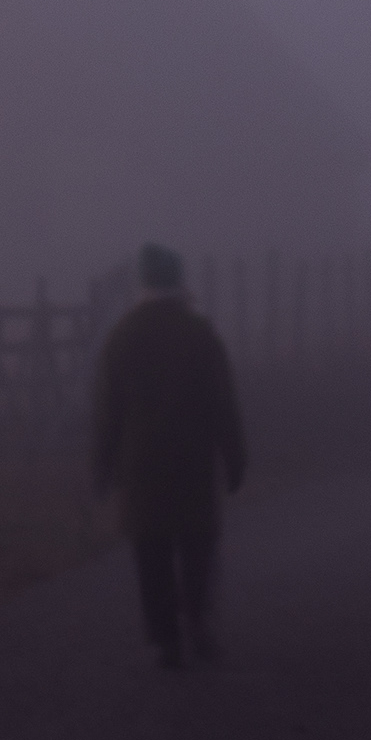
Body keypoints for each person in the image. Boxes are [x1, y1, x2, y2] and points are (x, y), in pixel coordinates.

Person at [91, 242, 246, 666]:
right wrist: (234, 457)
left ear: (143, 282)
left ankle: (165, 639)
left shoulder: (123, 336)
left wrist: (102, 466)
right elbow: (222, 401)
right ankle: (197, 620)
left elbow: (108, 409)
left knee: (151, 550)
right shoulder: (200, 334)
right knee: (197, 544)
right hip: (193, 459)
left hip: (142, 464)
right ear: (179, 281)